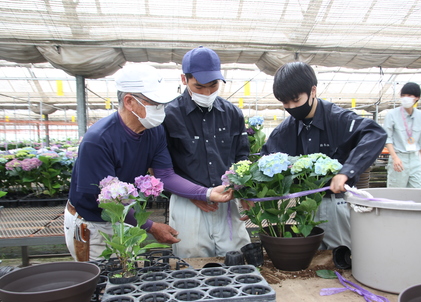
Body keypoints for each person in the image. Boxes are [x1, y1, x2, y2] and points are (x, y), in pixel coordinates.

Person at [64, 64, 234, 262]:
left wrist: (206, 193)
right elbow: (106, 202)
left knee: (126, 276)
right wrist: (151, 227)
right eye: (155, 103)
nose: (161, 110)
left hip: (125, 218)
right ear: (129, 102)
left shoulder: (153, 130)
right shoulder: (99, 140)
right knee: (100, 282)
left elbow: (165, 175)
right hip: (93, 224)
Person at [261, 61, 387, 250]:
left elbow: (375, 134)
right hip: (303, 208)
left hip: (337, 205)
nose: (291, 107)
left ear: (313, 91)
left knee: (341, 258)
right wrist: (255, 196)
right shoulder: (286, 130)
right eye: (285, 102)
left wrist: (345, 172)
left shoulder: (338, 119)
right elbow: (264, 159)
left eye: (296, 100)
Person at [163, 46, 251, 258]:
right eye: (199, 87)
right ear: (184, 79)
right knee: (192, 260)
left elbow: (242, 157)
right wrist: (193, 193)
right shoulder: (169, 115)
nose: (207, 93)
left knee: (237, 258)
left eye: (213, 86)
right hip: (187, 204)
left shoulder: (232, 113)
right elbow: (162, 170)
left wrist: (246, 191)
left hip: (227, 200)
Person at [384, 82, 421, 188]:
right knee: (397, 194)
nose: (405, 98)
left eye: (409, 96)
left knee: (418, 191)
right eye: (403, 95)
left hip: (414, 158)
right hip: (399, 157)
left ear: (417, 98)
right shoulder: (392, 115)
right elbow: (388, 138)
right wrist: (395, 157)